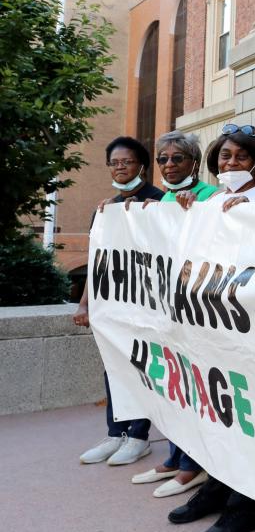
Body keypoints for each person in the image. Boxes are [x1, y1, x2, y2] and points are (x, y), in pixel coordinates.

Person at [166, 124, 255, 532]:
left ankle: (244, 506)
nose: (231, 163)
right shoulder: (208, 203)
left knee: (246, 418)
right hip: (211, 326)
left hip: (252, 328)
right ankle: (216, 485)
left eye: (241, 156)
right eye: (225, 157)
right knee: (216, 411)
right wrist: (182, 214)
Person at [129, 130, 215, 497]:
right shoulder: (161, 200)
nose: (168, 164)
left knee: (196, 389)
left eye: (177, 157)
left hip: (199, 310)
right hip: (166, 310)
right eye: (162, 158)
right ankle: (175, 457)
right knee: (174, 387)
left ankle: (195, 467)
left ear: (194, 161)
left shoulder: (214, 196)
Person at [76, 136, 164, 466]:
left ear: (142, 165)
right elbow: (96, 262)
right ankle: (116, 432)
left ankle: (138, 436)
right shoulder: (106, 208)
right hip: (113, 306)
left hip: (146, 306)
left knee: (140, 368)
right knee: (113, 367)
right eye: (114, 163)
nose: (120, 167)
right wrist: (84, 303)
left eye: (126, 162)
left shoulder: (160, 202)